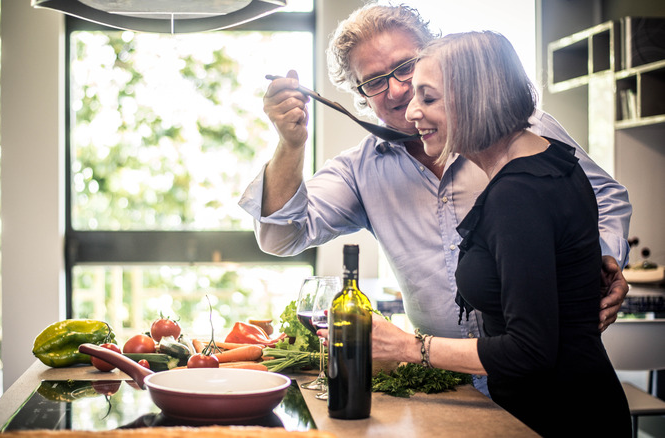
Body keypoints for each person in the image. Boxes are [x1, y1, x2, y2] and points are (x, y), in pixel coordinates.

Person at [238, 3, 631, 391]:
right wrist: (291, 145)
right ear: (360, 95)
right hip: (447, 382)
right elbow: (280, 236)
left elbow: (604, 197)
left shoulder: (519, 133)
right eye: (374, 81)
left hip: (547, 382)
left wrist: (592, 266)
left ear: (433, 57)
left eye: (405, 67)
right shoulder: (359, 170)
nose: (396, 90)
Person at [380, 30, 631, 436]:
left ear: (472, 98)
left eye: (427, 98)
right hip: (578, 405)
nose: (411, 113)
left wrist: (409, 348)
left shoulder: (516, 195)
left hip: (559, 418)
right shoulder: (554, 160)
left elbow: (529, 352)